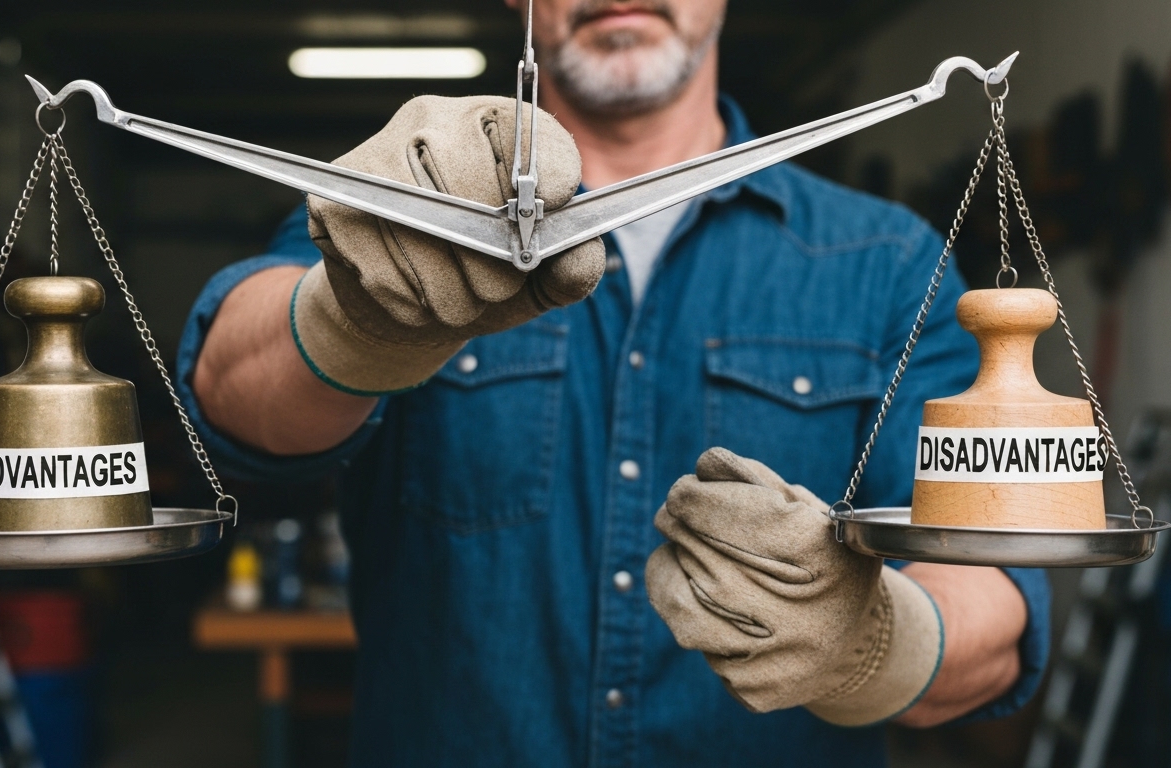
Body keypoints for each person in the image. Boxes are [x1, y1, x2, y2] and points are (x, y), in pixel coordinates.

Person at [176, 0, 1049, 764]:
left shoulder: (889, 266)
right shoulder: (402, 207)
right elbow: (230, 395)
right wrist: (352, 320)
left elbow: (998, 605)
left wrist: (869, 643)